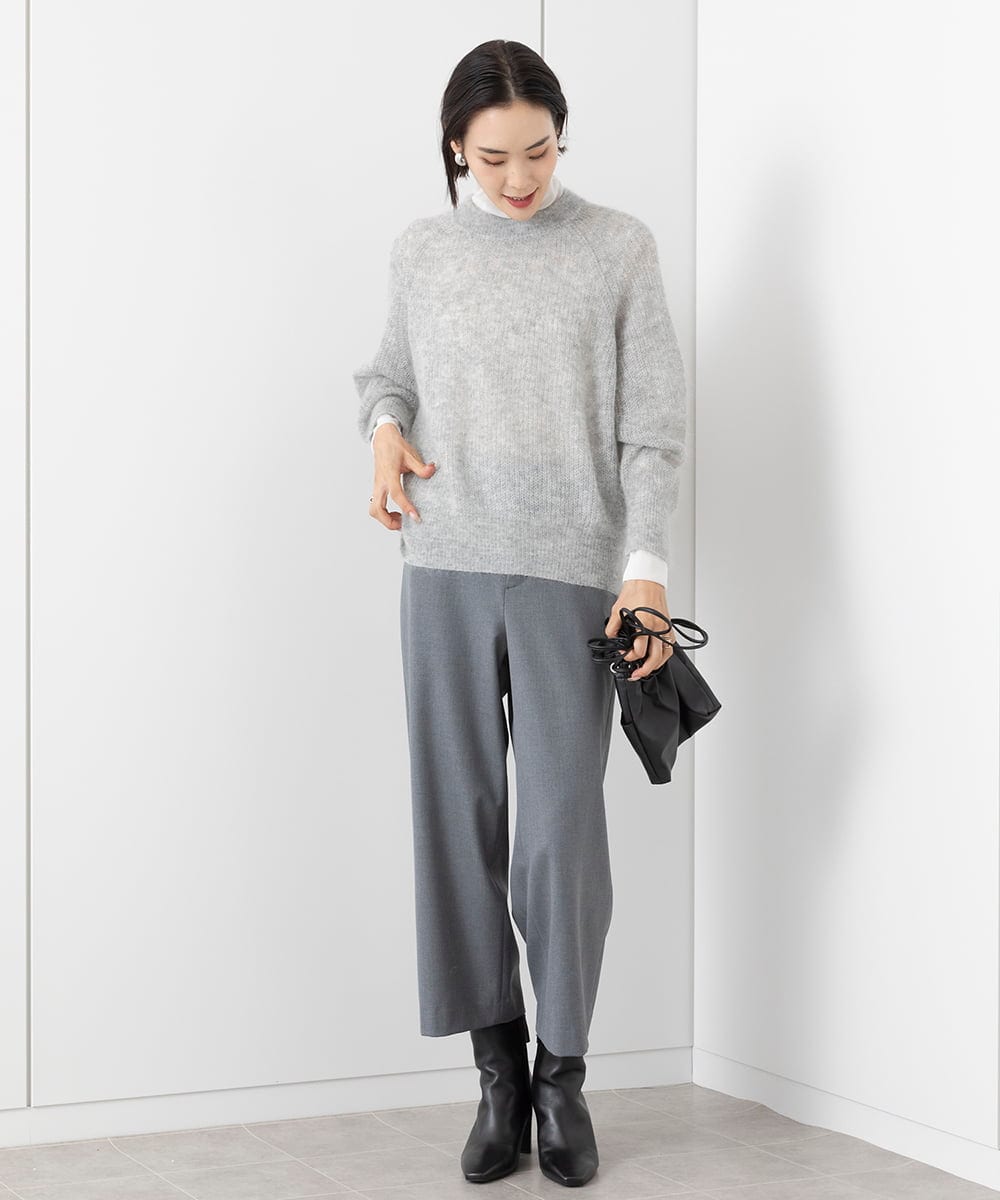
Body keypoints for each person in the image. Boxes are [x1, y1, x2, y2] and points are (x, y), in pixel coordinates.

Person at [352, 39, 687, 1189]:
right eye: (492, 157)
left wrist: (645, 568)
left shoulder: (617, 247)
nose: (518, 178)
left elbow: (652, 428)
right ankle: (496, 1074)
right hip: (442, 565)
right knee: (455, 822)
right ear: (455, 147)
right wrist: (383, 431)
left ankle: (563, 1075)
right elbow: (387, 377)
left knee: (558, 834)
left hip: (570, 577)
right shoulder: (423, 250)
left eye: (538, 151)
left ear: (560, 135)